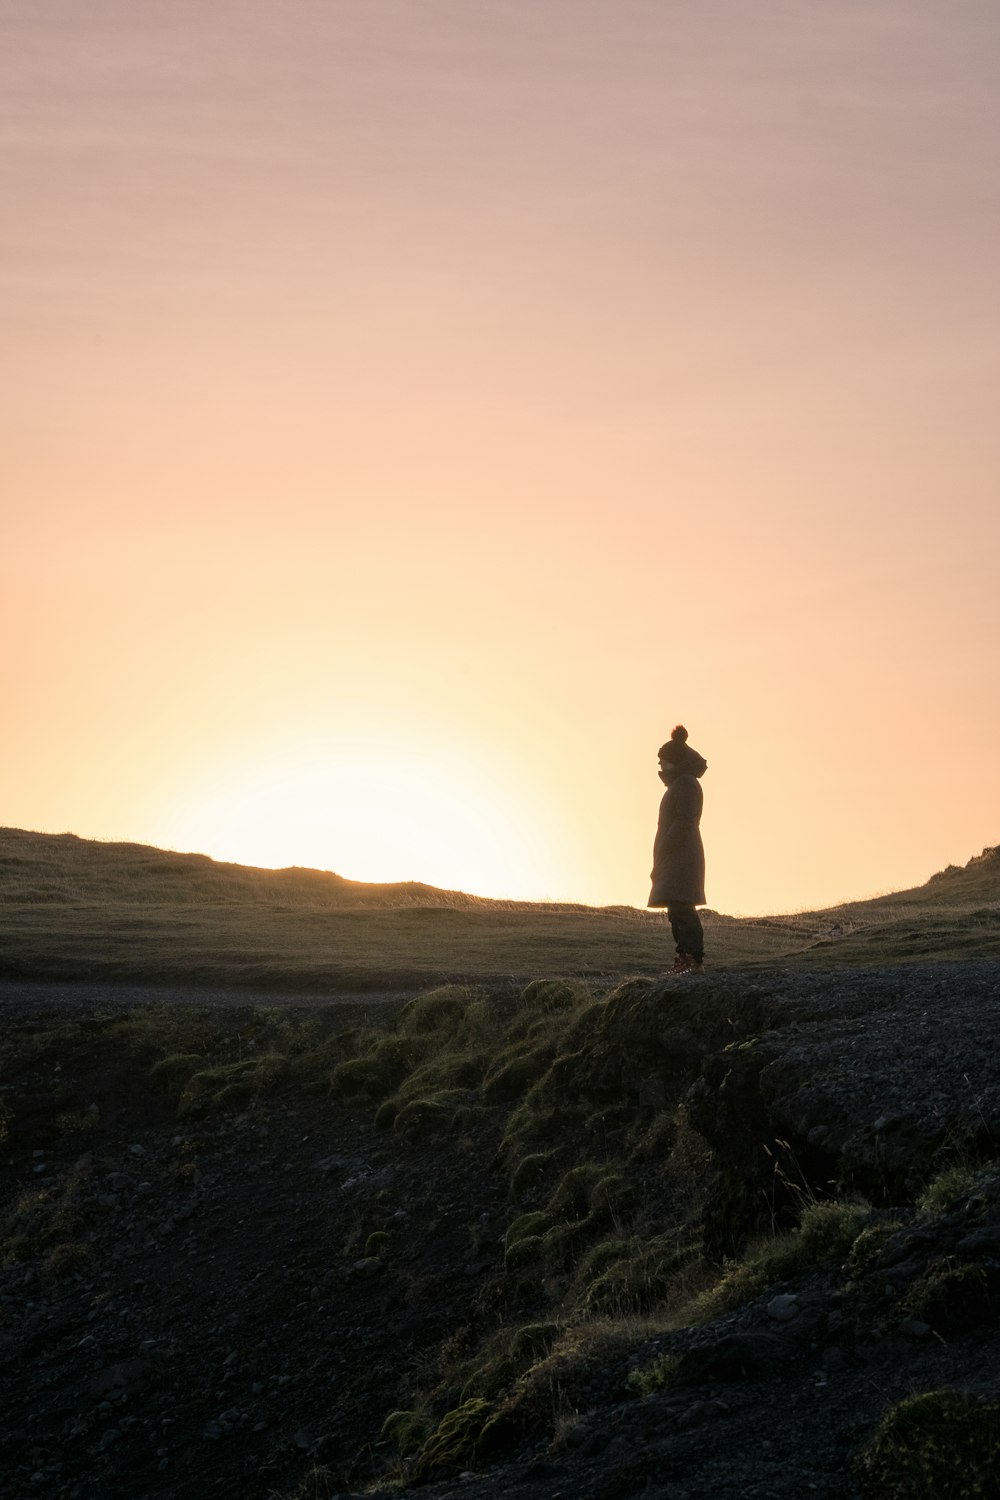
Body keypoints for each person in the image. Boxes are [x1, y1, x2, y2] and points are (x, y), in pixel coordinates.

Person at [648, 725, 708, 974]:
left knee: (682, 908)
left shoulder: (685, 784)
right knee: (676, 909)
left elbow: (686, 820)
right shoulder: (680, 784)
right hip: (674, 857)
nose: (660, 766)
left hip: (681, 857)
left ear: (674, 761)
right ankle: (684, 958)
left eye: (663, 761)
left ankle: (693, 960)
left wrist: (665, 846)